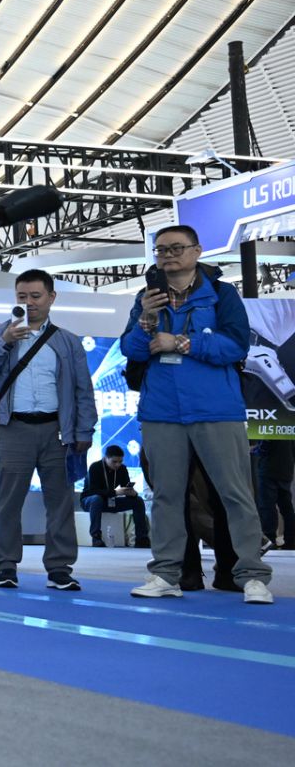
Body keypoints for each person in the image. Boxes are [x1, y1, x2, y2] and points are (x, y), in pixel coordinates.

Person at [122, 225, 273, 603]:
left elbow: (236, 346)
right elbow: (132, 350)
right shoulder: (145, 298)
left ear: (197, 251)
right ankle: (166, 574)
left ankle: (252, 576)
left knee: (235, 494)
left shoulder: (221, 294)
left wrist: (181, 342)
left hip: (215, 408)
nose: (168, 256)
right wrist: (146, 319)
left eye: (176, 248)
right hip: (162, 411)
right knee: (166, 497)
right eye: (161, 250)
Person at [0, 269, 95, 591]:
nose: (29, 302)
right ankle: (5, 564)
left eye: (36, 296)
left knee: (60, 503)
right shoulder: (0, 332)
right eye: (22, 296)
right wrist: (5, 342)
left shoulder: (67, 341)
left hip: (57, 431)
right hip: (14, 428)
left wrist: (85, 430)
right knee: (7, 502)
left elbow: (83, 389)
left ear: (51, 297)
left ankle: (59, 568)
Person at [81, 444, 150, 548]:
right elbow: (93, 491)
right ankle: (96, 538)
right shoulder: (95, 467)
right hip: (89, 501)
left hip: (109, 501)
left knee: (138, 501)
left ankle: (142, 538)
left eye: (120, 461)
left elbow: (125, 487)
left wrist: (132, 493)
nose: (117, 464)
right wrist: (116, 493)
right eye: (114, 462)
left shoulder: (122, 468)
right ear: (106, 458)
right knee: (96, 499)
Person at [255, 440, 295, 550]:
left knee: (267, 507)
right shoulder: (289, 429)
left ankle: (270, 540)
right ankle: (291, 541)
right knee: (287, 507)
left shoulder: (270, 430)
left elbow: (264, 448)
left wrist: (256, 449)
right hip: (286, 469)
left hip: (269, 468)